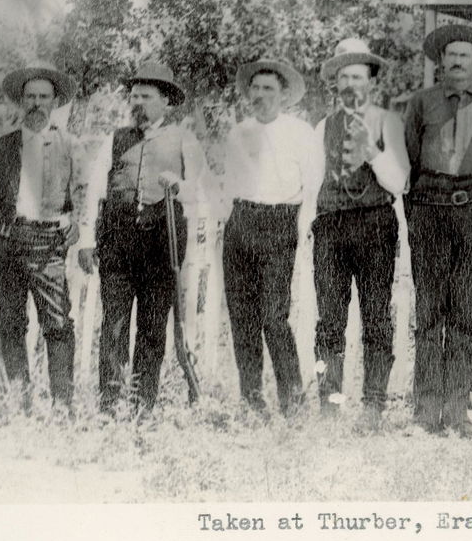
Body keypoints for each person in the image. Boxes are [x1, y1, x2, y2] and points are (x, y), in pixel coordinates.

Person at [78, 60, 214, 417]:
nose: (137, 102)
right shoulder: (115, 138)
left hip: (161, 243)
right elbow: (95, 190)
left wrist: (178, 185)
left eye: (146, 96)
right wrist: (87, 237)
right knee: (114, 325)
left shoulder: (185, 140)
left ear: (165, 101)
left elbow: (200, 189)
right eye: (134, 96)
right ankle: (111, 404)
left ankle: (142, 406)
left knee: (153, 327)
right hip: (117, 243)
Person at [0, 64, 89, 413]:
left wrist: (79, 225)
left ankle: (62, 404)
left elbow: (85, 193)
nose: (36, 103)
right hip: (7, 240)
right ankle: (20, 399)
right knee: (11, 322)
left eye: (43, 97)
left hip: (48, 241)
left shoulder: (71, 145)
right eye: (30, 96)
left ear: (56, 101)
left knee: (58, 323)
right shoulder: (1, 146)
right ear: (21, 101)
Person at [403, 22, 472, 436]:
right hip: (429, 209)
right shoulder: (421, 102)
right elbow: (410, 158)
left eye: (466, 55)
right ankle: (427, 412)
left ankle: (458, 410)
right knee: (429, 313)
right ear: (441, 61)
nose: (458, 61)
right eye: (451, 54)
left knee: (464, 311)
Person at [312, 38, 410, 427]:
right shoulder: (323, 126)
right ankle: (330, 403)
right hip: (331, 227)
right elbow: (312, 182)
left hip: (374, 225)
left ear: (371, 82)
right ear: (335, 84)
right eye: (344, 77)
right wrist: (311, 225)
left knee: (376, 318)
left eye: (358, 76)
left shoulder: (389, 122)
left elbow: (399, 182)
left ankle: (373, 406)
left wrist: (373, 153)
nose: (351, 84)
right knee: (329, 322)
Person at [222, 57, 322, 417]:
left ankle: (293, 404)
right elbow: (230, 186)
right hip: (241, 222)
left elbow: (312, 187)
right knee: (242, 318)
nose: (261, 94)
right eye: (256, 88)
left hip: (280, 222)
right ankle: (252, 402)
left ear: (282, 95)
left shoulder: (300, 132)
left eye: (269, 89)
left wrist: (302, 228)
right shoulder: (238, 132)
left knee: (274, 317)